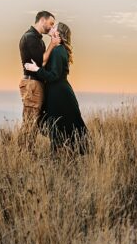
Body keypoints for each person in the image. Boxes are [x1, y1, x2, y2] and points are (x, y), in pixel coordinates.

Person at [24, 22, 89, 155]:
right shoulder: (57, 49)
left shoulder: (59, 51)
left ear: (58, 33)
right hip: (57, 92)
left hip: (60, 94)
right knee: (59, 125)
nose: (51, 28)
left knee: (61, 125)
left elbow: (54, 75)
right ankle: (63, 154)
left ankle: (63, 155)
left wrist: (36, 69)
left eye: (54, 27)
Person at [17, 11, 58, 149]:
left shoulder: (37, 38)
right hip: (32, 83)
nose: (52, 27)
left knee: (34, 121)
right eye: (51, 23)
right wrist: (52, 44)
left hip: (35, 83)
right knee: (30, 122)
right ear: (42, 20)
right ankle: (24, 155)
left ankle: (27, 153)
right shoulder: (30, 38)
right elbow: (41, 62)